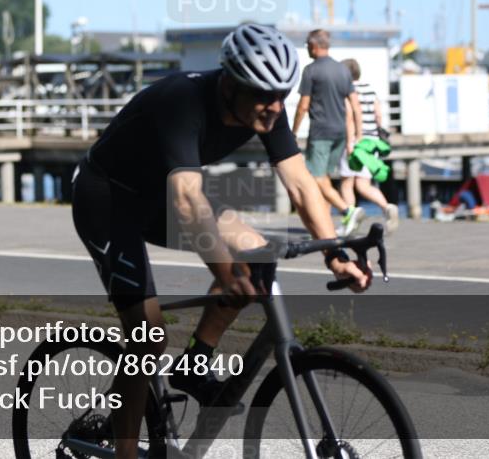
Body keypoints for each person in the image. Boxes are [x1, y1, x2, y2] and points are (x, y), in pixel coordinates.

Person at [71, 23, 372, 459]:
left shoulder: (267, 106)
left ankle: (195, 365)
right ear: (230, 83)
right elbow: (189, 200)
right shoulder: (182, 102)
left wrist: (336, 254)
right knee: (147, 335)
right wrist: (226, 272)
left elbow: (303, 186)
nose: (273, 107)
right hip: (107, 199)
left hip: (161, 196)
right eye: (263, 95)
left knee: (259, 255)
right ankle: (124, 453)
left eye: (281, 95)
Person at [291, 29, 365, 237]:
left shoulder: (311, 70)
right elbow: (355, 104)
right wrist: (357, 135)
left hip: (321, 132)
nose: (306, 49)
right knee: (325, 180)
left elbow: (303, 106)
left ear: (314, 46)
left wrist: (293, 131)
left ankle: (348, 210)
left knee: (316, 179)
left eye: (307, 45)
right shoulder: (342, 70)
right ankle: (325, 227)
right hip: (340, 133)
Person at [338, 58, 399, 232]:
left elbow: (349, 116)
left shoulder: (349, 91)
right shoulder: (370, 90)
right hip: (372, 142)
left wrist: (351, 140)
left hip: (356, 142)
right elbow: (378, 115)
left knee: (347, 183)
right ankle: (387, 207)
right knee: (364, 185)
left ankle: (349, 221)